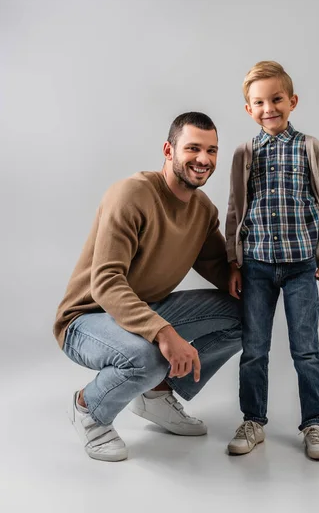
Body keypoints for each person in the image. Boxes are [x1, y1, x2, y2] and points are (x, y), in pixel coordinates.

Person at [54, 112, 241, 462]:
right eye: (193, 148)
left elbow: (219, 266)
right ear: (169, 150)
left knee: (249, 316)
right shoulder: (131, 194)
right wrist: (164, 334)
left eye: (212, 150)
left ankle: (156, 395)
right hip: (86, 319)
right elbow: (107, 284)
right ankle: (89, 410)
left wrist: (267, 281)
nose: (204, 159)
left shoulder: (202, 210)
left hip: (145, 310)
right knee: (150, 355)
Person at [225, 61, 319, 459]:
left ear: (292, 102)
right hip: (256, 265)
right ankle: (253, 420)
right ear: (248, 109)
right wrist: (234, 262)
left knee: (306, 349)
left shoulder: (311, 148)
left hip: (301, 268)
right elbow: (234, 210)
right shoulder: (244, 153)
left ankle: (314, 424)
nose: (268, 108)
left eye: (276, 99)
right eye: (258, 102)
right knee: (254, 347)